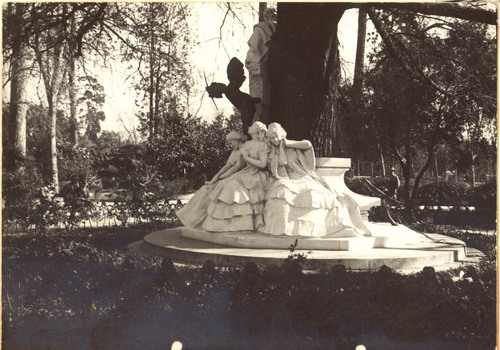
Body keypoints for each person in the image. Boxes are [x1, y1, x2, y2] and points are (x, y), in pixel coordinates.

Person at [259, 122, 371, 237]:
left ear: (282, 134)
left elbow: (307, 144)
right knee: (283, 193)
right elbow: (283, 162)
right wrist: (281, 149)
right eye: (272, 138)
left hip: (302, 176)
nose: (275, 139)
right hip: (287, 179)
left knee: (315, 193)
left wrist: (287, 143)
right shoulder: (273, 152)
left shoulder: (293, 146)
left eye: (277, 136)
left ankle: (336, 226)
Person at [202, 122, 270, 232]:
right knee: (224, 184)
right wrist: (222, 177)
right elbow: (239, 164)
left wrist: (248, 159)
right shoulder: (247, 144)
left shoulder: (263, 145)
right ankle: (222, 224)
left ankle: (243, 224)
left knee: (232, 187)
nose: (249, 126)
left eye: (252, 126)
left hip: (255, 174)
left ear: (258, 130)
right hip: (245, 172)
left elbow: (263, 164)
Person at [176, 131, 247, 228]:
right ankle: (190, 217)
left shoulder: (245, 149)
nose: (230, 145)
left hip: (239, 177)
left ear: (237, 140)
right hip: (229, 177)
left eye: (231, 143)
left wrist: (222, 177)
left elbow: (236, 168)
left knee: (211, 191)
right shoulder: (234, 152)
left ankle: (197, 219)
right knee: (205, 189)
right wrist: (215, 177)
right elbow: (227, 166)